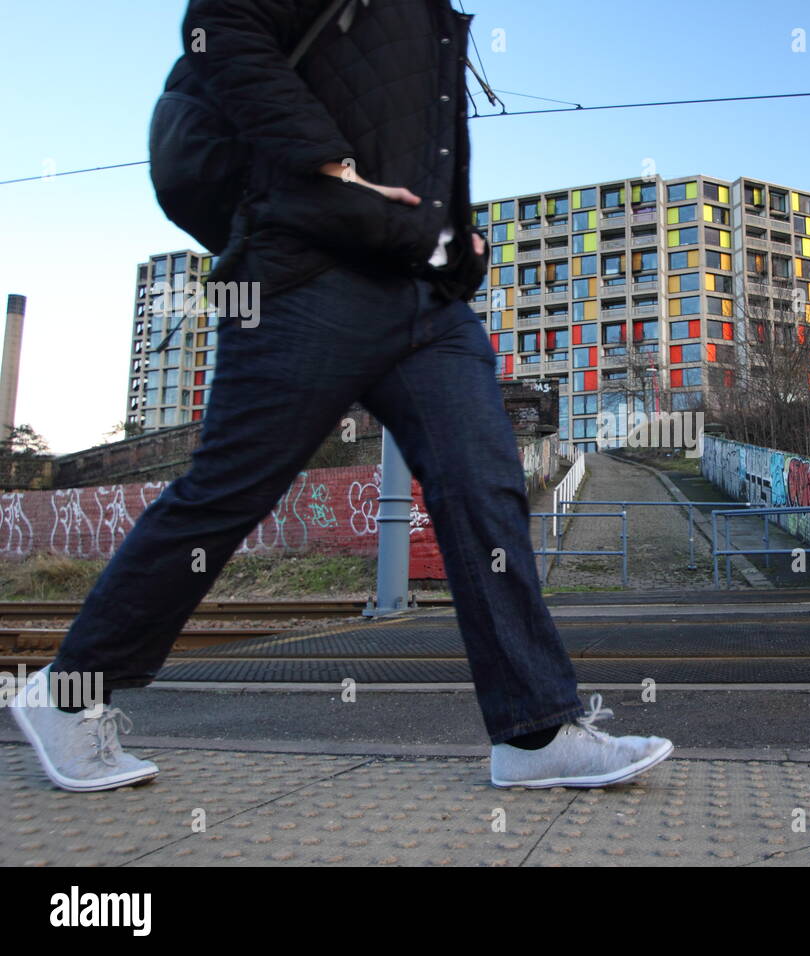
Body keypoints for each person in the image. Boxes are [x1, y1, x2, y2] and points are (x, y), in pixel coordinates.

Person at [9, 0, 672, 792]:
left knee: (486, 485)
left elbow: (413, 145)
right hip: (303, 276)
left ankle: (535, 734)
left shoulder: (435, 19)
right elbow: (218, 25)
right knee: (227, 491)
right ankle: (69, 692)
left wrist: (459, 241)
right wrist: (331, 165)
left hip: (424, 299)